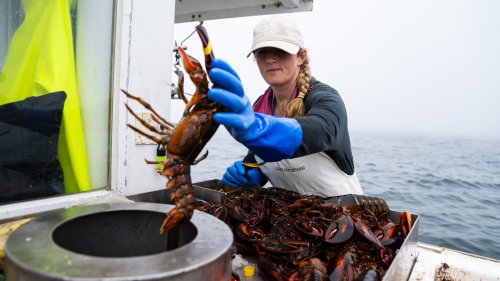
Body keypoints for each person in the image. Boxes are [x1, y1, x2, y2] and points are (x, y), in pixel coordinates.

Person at [207, 16, 362, 197]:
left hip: (348, 215)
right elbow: (261, 161)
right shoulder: (258, 108)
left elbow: (320, 128)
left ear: (301, 56)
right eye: (262, 52)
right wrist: (253, 174)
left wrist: (262, 130)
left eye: (280, 51)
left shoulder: (326, 99)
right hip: (290, 217)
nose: (270, 59)